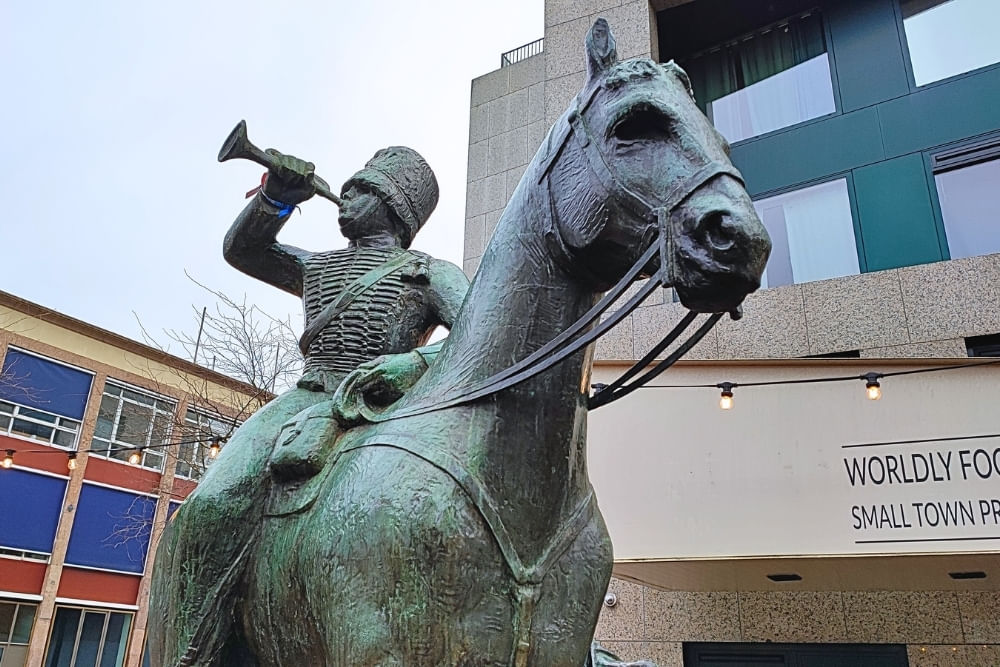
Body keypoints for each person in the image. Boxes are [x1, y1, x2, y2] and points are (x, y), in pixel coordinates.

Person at [148, 145, 470, 667]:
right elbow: (243, 251)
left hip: (389, 402)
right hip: (307, 398)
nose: (345, 198)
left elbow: (477, 333)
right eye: (345, 189)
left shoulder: (428, 274)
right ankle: (184, 650)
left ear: (394, 206)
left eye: (362, 190)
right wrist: (275, 199)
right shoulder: (316, 267)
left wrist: (411, 365)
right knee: (211, 505)